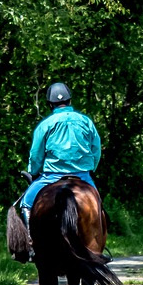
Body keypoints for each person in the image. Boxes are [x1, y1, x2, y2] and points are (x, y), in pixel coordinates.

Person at [20, 83, 101, 247]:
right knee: (98, 205)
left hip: (51, 177)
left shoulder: (45, 125)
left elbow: (36, 154)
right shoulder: (86, 121)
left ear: (50, 104)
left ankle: (31, 242)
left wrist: (33, 172)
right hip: (82, 176)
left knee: (26, 203)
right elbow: (96, 149)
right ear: (70, 101)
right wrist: (91, 167)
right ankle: (98, 245)